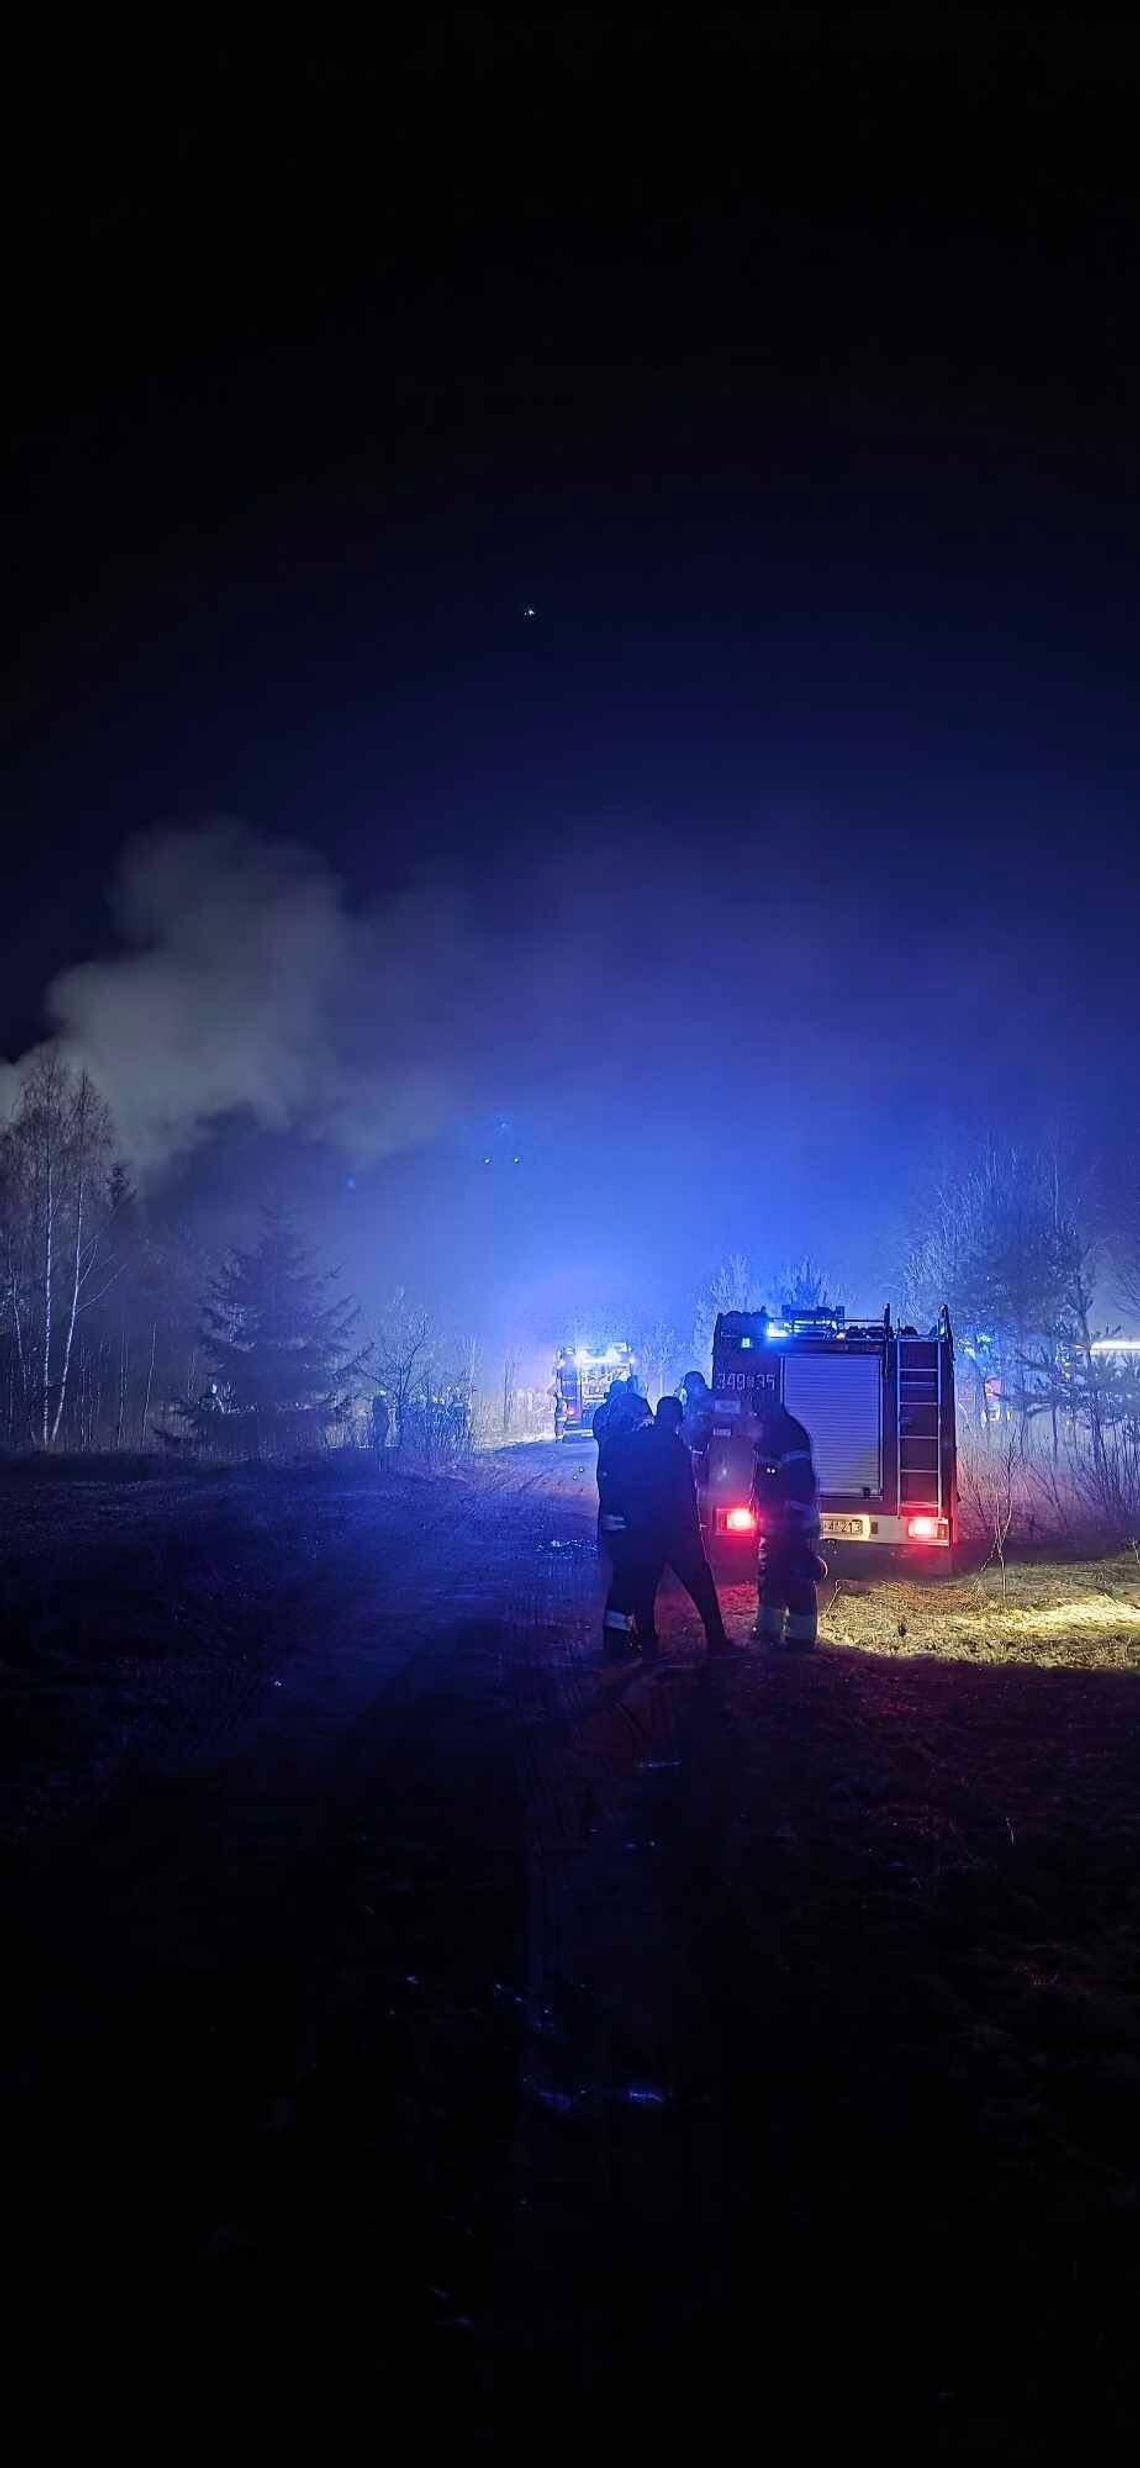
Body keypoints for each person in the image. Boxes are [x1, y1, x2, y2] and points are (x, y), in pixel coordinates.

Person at [601, 1395, 730, 1662]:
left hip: (643, 1530)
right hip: (676, 1531)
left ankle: (648, 1644)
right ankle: (717, 1640)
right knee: (700, 1585)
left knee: (645, 1587)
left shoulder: (636, 1442)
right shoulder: (676, 1447)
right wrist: (694, 1533)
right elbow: (685, 1495)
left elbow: (622, 1478)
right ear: (677, 1421)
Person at [751, 1398, 826, 1648]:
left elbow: (801, 1481)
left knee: (796, 1579)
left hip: (793, 1525)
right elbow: (765, 1479)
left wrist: (791, 1518)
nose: (757, 1418)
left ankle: (801, 1639)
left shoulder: (788, 1434)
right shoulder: (774, 1433)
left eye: (759, 1412)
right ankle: (768, 1631)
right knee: (771, 1576)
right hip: (778, 1523)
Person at [370, 1390, 391, 1457]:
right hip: (380, 1421)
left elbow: (386, 1411)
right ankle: (377, 1446)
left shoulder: (382, 1403)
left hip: (383, 1421)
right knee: (379, 1433)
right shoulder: (377, 1402)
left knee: (382, 1434)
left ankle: (380, 1445)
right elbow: (377, 1412)